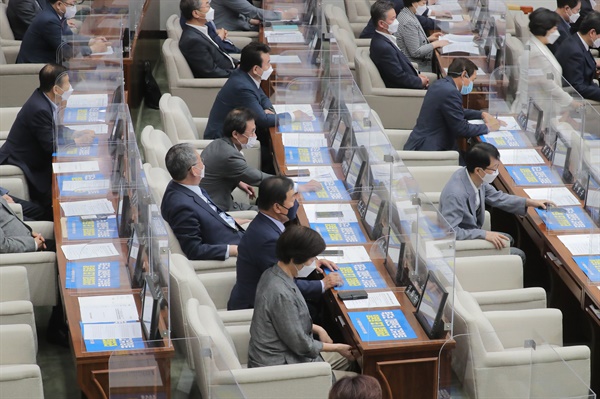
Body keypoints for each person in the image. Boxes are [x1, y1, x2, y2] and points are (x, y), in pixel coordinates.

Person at [248, 225, 357, 379]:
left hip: (282, 353)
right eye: (312, 259)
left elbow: (286, 322)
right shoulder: (281, 294)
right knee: (354, 379)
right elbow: (302, 345)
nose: (313, 263)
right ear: (296, 259)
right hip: (281, 367)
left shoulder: (272, 273)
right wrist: (337, 347)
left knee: (349, 360)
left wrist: (319, 329)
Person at [227, 176, 342, 314]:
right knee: (318, 312)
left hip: (265, 291)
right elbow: (283, 282)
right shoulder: (267, 240)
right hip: (257, 305)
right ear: (277, 207)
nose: (296, 202)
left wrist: (309, 261)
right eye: (293, 198)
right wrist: (323, 284)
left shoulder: (265, 223)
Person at [0, 64, 95, 221]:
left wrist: (76, 133)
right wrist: (78, 142)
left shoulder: (45, 99)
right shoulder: (39, 109)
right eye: (67, 83)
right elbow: (51, 146)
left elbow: (54, 130)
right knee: (58, 197)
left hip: (37, 156)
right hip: (24, 162)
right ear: (56, 90)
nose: (70, 86)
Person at [439, 143, 555, 264]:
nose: (496, 172)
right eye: (494, 168)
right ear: (478, 170)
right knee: (518, 255)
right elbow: (450, 232)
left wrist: (529, 202)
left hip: (471, 231)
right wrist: (483, 234)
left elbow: (497, 197)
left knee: (508, 239)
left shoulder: (472, 177)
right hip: (461, 246)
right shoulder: (455, 194)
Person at [204, 42, 309, 171]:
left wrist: (269, 110)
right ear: (255, 69)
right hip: (224, 140)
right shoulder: (242, 86)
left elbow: (263, 96)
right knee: (272, 156)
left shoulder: (246, 76)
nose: (270, 67)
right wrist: (293, 116)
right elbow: (263, 120)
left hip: (240, 129)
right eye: (268, 63)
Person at [200, 108, 321, 211]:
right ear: (235, 134)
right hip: (217, 209)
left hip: (211, 201)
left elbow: (222, 172)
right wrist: (298, 187)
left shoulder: (218, 144)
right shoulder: (229, 155)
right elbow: (259, 178)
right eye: (252, 132)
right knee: (276, 212)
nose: (254, 136)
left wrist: (238, 181)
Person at [161, 143, 247, 261]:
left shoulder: (182, 185)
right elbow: (194, 250)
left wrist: (234, 222)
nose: (203, 163)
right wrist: (234, 250)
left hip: (233, 230)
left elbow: (209, 215)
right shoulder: (181, 207)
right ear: (194, 171)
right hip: (237, 245)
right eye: (201, 160)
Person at [403, 58, 502, 152]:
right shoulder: (451, 92)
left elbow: (456, 111)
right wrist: (488, 127)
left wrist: (482, 114)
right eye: (472, 80)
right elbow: (462, 129)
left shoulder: (440, 84)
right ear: (464, 75)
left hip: (422, 141)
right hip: (431, 149)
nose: (472, 83)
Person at [511, 8, 575, 122]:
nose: (557, 32)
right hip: (533, 112)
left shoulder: (536, 45)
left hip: (539, 107)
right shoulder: (536, 53)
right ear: (545, 30)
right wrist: (571, 102)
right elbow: (548, 84)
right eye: (554, 29)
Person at [16, 0, 107, 64]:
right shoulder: (49, 20)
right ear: (59, 4)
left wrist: (91, 41)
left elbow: (70, 37)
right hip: (35, 68)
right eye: (72, 4)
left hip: (51, 62)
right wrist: (93, 49)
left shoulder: (56, 15)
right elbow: (66, 52)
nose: (73, 7)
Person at [369, 0, 429, 89]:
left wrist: (417, 75)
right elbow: (398, 77)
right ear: (382, 24)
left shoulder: (385, 38)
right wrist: (420, 82)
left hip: (413, 78)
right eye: (392, 19)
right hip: (409, 92)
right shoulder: (383, 47)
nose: (396, 22)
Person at [178, 0, 237, 78]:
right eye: (207, 6)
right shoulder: (193, 40)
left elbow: (221, 55)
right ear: (196, 13)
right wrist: (240, 73)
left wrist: (240, 64)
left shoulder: (203, 29)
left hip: (232, 68)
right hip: (226, 79)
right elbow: (211, 72)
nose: (211, 9)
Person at [556, 11, 600, 102]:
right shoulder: (574, 51)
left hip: (588, 84)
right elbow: (578, 87)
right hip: (576, 98)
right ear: (592, 32)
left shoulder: (578, 41)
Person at [394, 0, 449, 72]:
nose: (424, 6)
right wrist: (435, 44)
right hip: (417, 66)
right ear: (414, 3)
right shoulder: (408, 22)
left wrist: (428, 39)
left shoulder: (406, 13)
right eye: (423, 3)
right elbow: (416, 52)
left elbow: (411, 42)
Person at [360, 0, 438, 38]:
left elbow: (415, 7)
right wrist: (442, 24)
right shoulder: (398, 3)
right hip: (373, 38)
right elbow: (415, 19)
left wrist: (431, 12)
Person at [212, 0, 298, 31]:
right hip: (225, 32)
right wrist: (284, 15)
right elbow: (252, 11)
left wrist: (249, 20)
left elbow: (237, 9)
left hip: (241, 23)